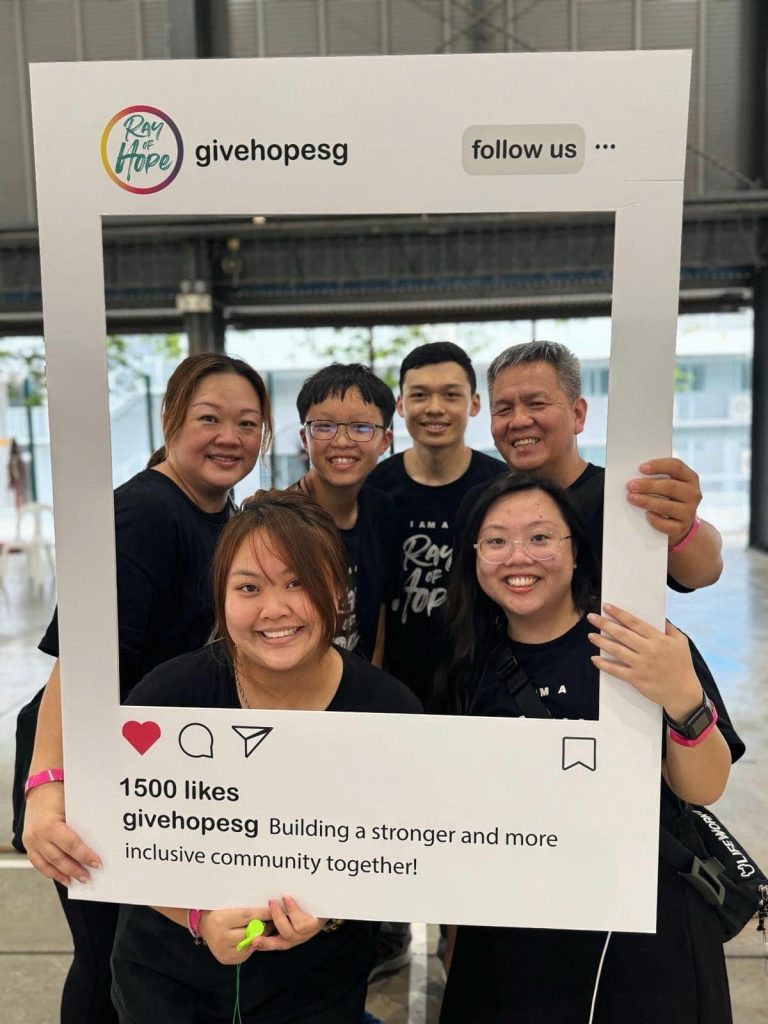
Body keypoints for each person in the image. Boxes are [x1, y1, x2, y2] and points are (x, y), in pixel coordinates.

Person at [18, 353, 273, 1024]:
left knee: (145, 955)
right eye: (209, 418)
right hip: (89, 764)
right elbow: (79, 662)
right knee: (111, 958)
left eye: (248, 423)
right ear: (169, 419)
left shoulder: (218, 513)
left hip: (149, 762)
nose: (230, 437)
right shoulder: (142, 514)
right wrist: (47, 787)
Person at [437, 472, 743, 1024]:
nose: (518, 556)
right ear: (474, 558)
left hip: (639, 928)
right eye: (496, 540)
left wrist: (683, 696)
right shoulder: (465, 664)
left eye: (540, 537)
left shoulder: (634, 641)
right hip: (514, 930)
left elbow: (704, 787)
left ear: (576, 552)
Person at [105, 490, 420, 1023]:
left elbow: (410, 854)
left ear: (336, 589)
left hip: (318, 988)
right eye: (249, 587)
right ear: (221, 596)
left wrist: (332, 913)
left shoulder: (389, 711)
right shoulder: (169, 698)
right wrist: (196, 917)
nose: (274, 610)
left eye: (298, 583)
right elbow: (118, 837)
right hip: (169, 982)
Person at [481, 340, 723, 589]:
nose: (519, 421)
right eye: (503, 409)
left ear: (578, 414)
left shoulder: (625, 495)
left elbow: (704, 572)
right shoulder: (481, 501)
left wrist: (683, 527)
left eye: (537, 404)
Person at [294, 363, 397, 664]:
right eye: (324, 426)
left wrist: (373, 681)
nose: (341, 441)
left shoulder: (382, 511)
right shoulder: (280, 521)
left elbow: (379, 608)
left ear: (385, 441)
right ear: (305, 438)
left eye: (361, 428)